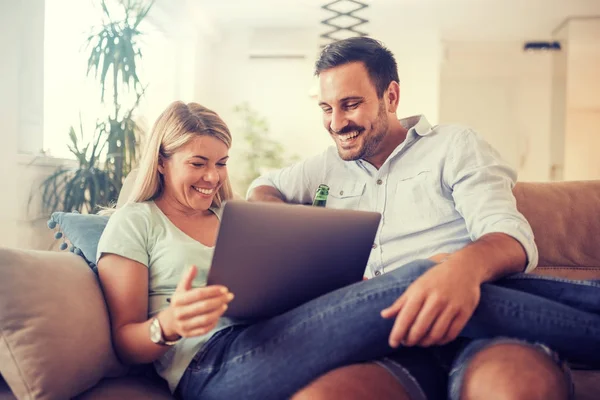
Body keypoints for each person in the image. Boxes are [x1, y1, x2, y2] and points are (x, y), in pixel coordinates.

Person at [246, 37, 600, 400]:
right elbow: (262, 187)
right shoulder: (324, 167)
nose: (336, 123)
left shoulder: (453, 145)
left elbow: (509, 237)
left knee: (513, 390)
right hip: (388, 343)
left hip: (481, 330)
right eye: (326, 108)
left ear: (391, 97)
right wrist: (299, 234)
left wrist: (455, 271)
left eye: (350, 105)